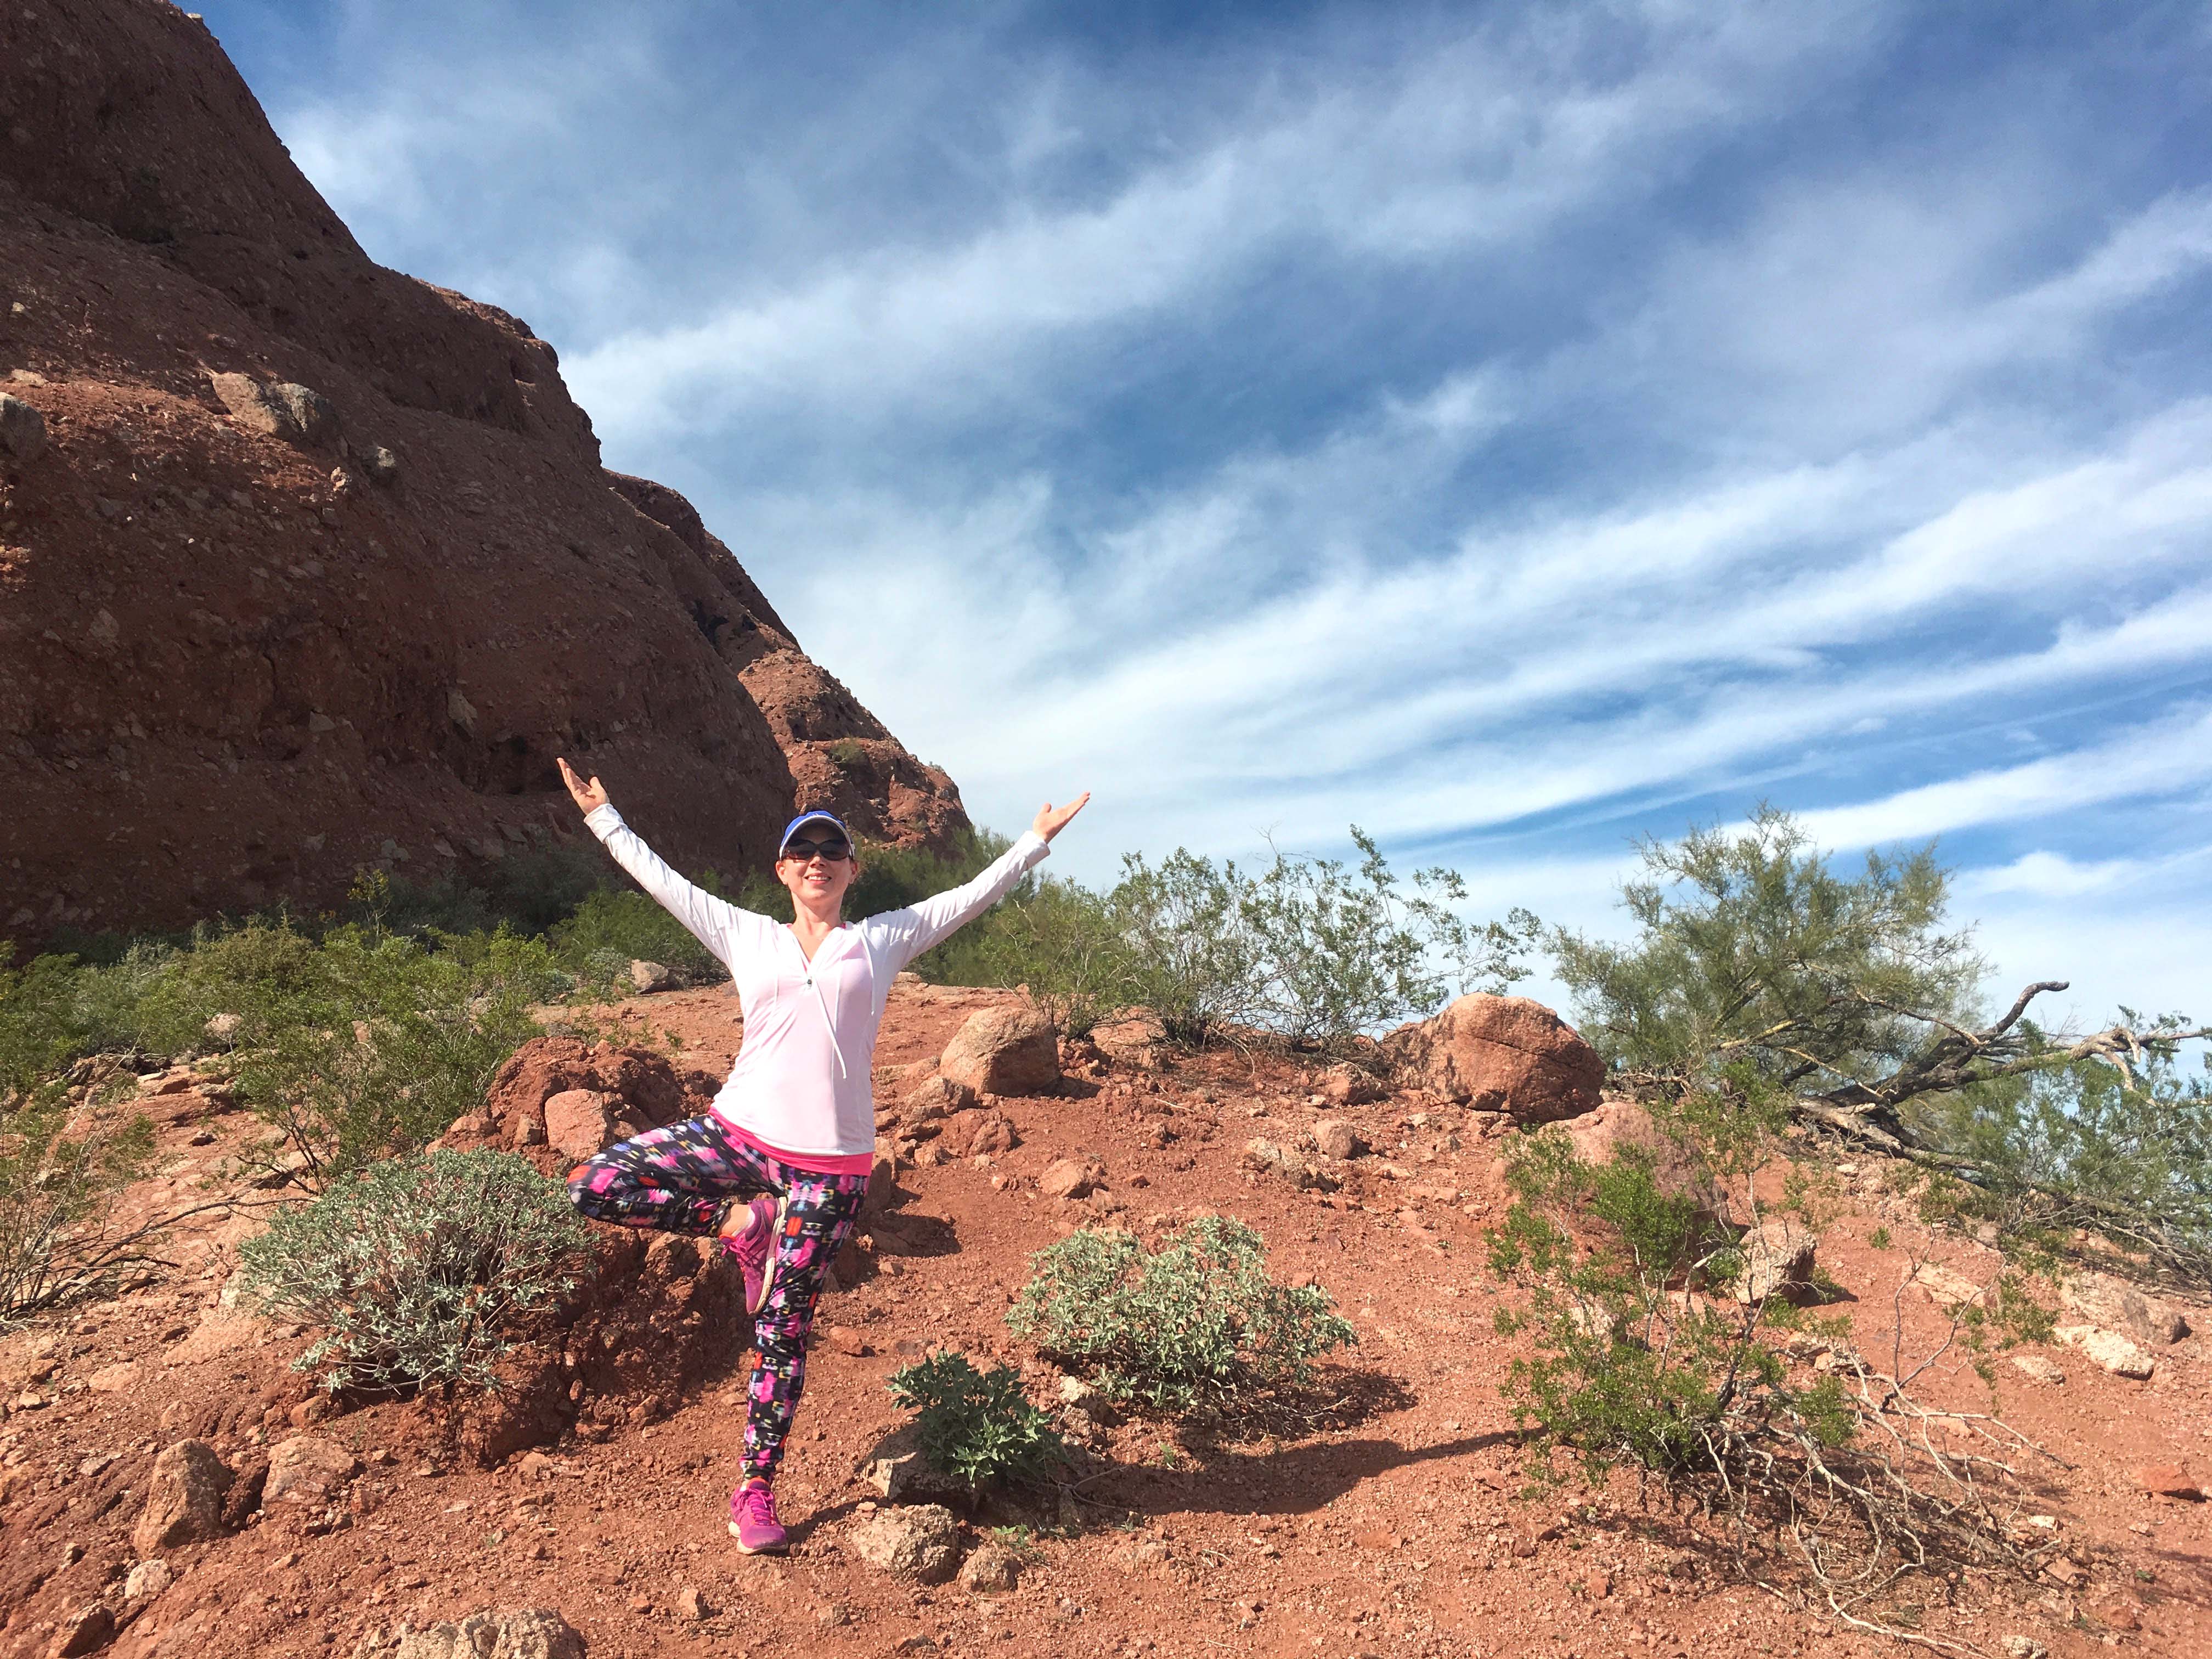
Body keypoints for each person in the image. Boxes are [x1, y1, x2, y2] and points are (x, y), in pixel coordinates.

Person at [554, 755, 1088, 1553]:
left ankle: (755, 1495)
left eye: (830, 851)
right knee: (594, 1183)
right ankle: (742, 1225)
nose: (816, 862)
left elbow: (967, 901)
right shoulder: (747, 935)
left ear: (851, 870)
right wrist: (605, 819)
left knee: (783, 1331)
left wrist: (1032, 843)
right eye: (803, 851)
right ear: (782, 870)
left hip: (831, 1169)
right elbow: (663, 882)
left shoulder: (881, 941)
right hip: (734, 1137)